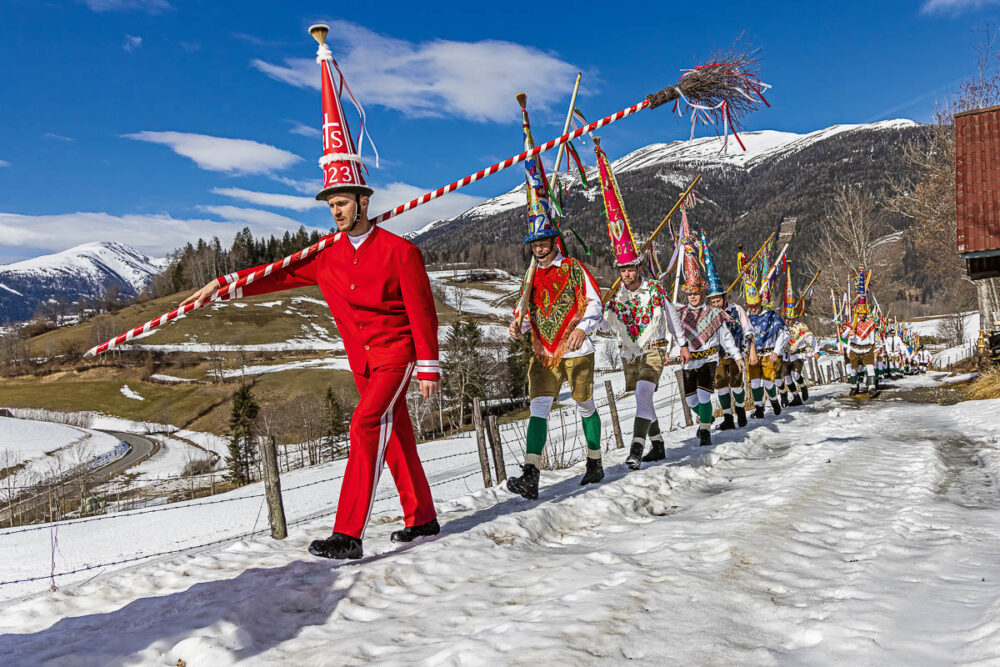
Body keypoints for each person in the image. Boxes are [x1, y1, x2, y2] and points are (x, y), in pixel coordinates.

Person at [184, 44, 441, 560]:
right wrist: (226, 285)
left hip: (396, 356)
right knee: (395, 435)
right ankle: (423, 517)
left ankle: (348, 533)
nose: (336, 212)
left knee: (366, 425)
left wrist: (429, 367)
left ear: (363, 201)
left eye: (342, 203)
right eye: (331, 205)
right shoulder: (325, 256)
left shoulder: (401, 251)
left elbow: (422, 311)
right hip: (362, 362)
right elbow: (275, 276)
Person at [506, 97, 603, 500]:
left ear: (554, 239)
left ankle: (595, 460)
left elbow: (596, 304)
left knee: (583, 405)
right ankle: (531, 473)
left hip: (576, 348)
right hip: (544, 351)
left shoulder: (574, 268)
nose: (540, 247)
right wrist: (517, 326)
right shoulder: (529, 278)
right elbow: (527, 314)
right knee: (539, 408)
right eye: (535, 243)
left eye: (544, 241)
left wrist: (583, 328)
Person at [595, 137, 679, 469]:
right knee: (644, 400)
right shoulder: (618, 297)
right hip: (630, 352)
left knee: (643, 395)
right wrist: (595, 319)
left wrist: (682, 345)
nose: (627, 273)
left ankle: (635, 451)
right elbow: (606, 327)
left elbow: (671, 318)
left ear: (638, 268)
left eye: (630, 268)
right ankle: (658, 445)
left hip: (654, 348)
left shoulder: (655, 290)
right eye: (622, 269)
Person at [674, 225, 743, 447]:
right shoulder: (680, 314)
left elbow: (726, 337)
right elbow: (674, 335)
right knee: (691, 400)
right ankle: (707, 417)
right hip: (689, 361)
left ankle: (705, 430)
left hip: (709, 359)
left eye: (696, 293)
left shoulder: (715, 313)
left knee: (704, 396)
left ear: (702, 292)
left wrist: (737, 356)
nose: (693, 297)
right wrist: (668, 351)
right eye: (690, 294)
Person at [704, 233, 752, 430]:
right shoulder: (708, 315)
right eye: (713, 301)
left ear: (724, 298)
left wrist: (748, 349)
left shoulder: (736, 309)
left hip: (736, 353)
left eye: (718, 300)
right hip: (717, 356)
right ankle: (728, 417)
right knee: (721, 385)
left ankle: (740, 410)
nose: (716, 304)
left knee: (737, 384)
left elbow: (748, 329)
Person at [843, 267, 879, 397]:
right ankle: (854, 387)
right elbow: (843, 335)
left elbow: (872, 335)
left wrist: (874, 346)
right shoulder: (851, 323)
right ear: (857, 312)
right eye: (860, 313)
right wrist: (849, 334)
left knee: (870, 368)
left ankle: (871, 388)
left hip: (867, 349)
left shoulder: (870, 323)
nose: (862, 315)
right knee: (854, 369)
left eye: (864, 313)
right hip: (855, 349)